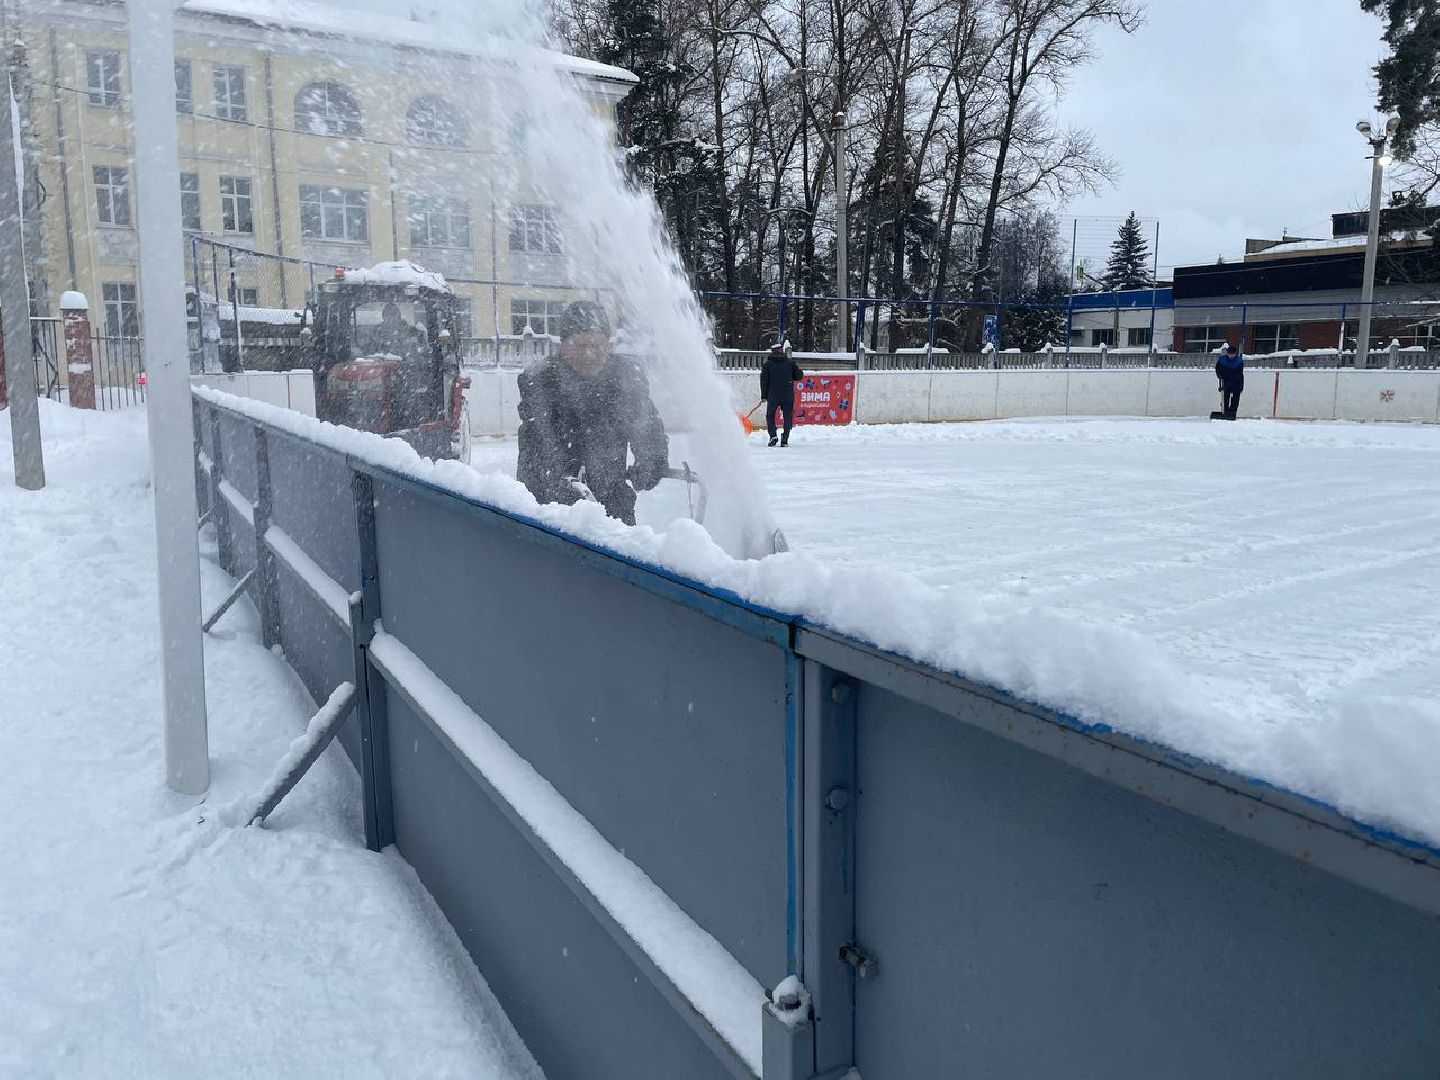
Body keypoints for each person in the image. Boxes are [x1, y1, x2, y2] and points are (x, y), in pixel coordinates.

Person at [516, 300, 668, 525]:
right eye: (579, 345)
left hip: (614, 507)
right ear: (563, 346)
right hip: (554, 511)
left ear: (607, 345)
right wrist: (561, 486)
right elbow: (535, 449)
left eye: (596, 345)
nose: (588, 354)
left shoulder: (626, 378)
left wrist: (651, 462)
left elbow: (645, 426)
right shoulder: (541, 382)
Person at [759, 340, 804, 447]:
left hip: (773, 395)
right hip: (787, 395)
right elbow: (799, 376)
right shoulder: (790, 363)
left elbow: (764, 381)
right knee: (787, 417)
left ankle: (773, 436)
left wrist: (764, 396)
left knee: (770, 416)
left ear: (772, 352)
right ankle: (785, 440)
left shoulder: (767, 365)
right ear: (781, 351)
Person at [1215, 343, 1244, 419]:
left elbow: (1238, 373)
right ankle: (1225, 412)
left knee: (1235, 398)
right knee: (1225, 397)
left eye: (1232, 354)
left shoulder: (1239, 361)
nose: (1231, 356)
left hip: (1237, 381)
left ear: (1235, 354)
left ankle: (1232, 413)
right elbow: (1217, 369)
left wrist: (1231, 382)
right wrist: (1220, 376)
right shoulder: (1222, 360)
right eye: (1229, 354)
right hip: (1225, 381)